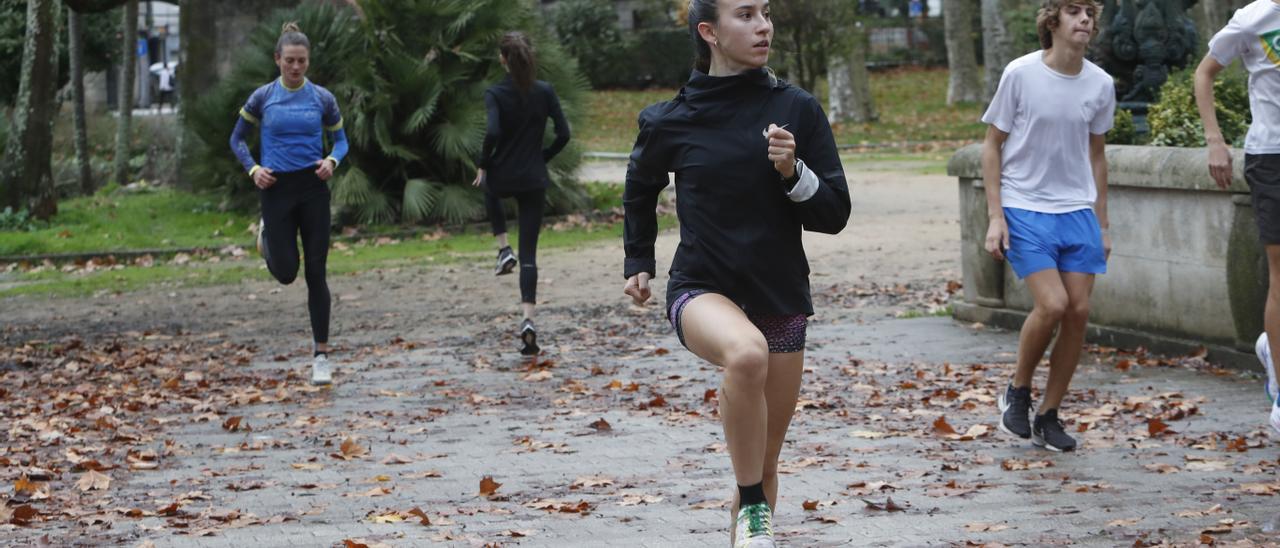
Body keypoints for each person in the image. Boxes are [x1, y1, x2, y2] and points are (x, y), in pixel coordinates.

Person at [622, 1, 850, 545]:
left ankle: (748, 518)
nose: (763, 25)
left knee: (763, 462)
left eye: (765, 12)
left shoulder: (797, 109)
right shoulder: (670, 118)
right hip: (702, 288)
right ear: (710, 32)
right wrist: (639, 260)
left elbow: (835, 214)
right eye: (745, 14)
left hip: (781, 295)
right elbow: (639, 184)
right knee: (746, 353)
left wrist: (793, 171)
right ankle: (751, 506)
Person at [983, 0, 1114, 452]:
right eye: (1074, 11)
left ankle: (1049, 414)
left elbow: (1097, 155)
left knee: (1078, 312)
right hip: (1025, 206)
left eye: (1090, 14)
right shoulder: (1020, 74)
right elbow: (992, 145)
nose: (1084, 20)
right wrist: (996, 216)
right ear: (1052, 20)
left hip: (1077, 211)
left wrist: (1103, 223)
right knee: (1054, 304)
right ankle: (1017, 391)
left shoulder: (1101, 84)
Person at [229, 22, 348, 385]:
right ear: (277, 59)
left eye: (302, 61)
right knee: (286, 273)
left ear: (308, 62)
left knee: (317, 273)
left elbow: (341, 142)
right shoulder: (263, 97)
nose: (296, 68)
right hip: (276, 188)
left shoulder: (322, 99)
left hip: (312, 188)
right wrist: (253, 171)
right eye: (290, 61)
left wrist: (332, 161)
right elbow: (237, 140)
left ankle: (321, 357)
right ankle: (268, 238)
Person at [1195, 0, 1280, 435]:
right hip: (1272, 157)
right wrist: (1215, 140)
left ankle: (1271, 348)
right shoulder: (1253, 18)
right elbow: (1204, 73)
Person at [472, 31, 570, 357]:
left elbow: (494, 131)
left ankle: (502, 249)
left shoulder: (496, 93)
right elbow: (563, 133)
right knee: (531, 255)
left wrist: (484, 164)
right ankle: (528, 318)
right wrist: (542, 157)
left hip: (503, 174)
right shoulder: (544, 91)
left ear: (503, 59)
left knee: (486, 187)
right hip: (533, 178)